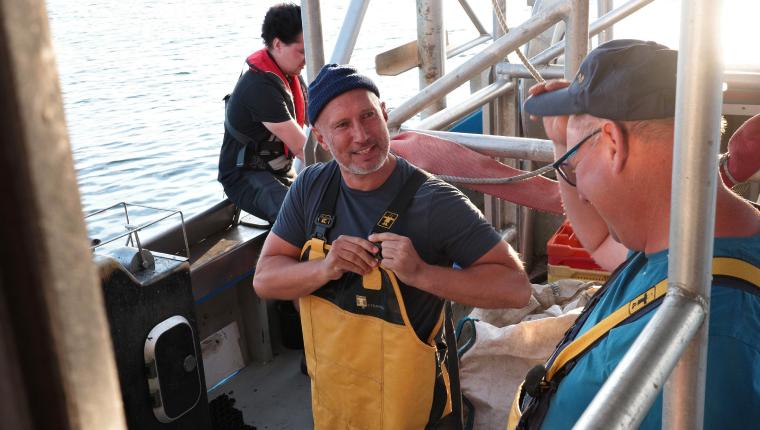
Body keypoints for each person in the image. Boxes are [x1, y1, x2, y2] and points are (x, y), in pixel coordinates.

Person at [253, 64, 531, 429]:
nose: (361, 135)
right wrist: (325, 267)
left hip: (416, 410)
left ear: (385, 115)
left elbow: (516, 288)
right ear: (321, 139)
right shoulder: (310, 188)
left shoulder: (435, 201)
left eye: (368, 116)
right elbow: (265, 280)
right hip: (339, 406)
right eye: (342, 125)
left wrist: (422, 273)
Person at [508, 39, 760, 429]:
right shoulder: (683, 242)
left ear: (612, 143)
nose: (583, 192)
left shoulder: (714, 348)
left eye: (572, 167)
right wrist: (565, 140)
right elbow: (599, 243)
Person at [218, 3, 307, 224]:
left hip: (280, 172)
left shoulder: (292, 76)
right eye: (303, 51)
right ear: (278, 44)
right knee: (296, 218)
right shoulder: (259, 87)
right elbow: (301, 147)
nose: (308, 59)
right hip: (244, 176)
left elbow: (325, 120)